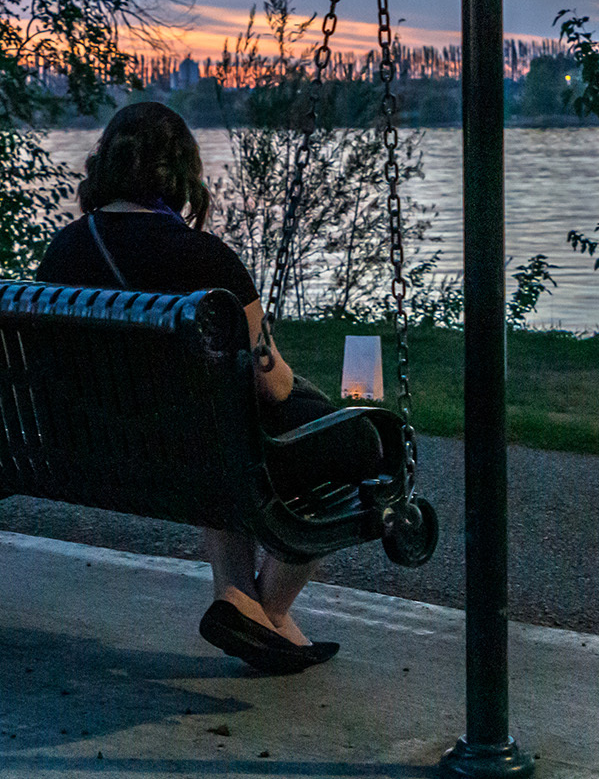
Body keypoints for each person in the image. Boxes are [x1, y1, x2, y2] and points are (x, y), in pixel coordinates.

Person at [34, 101, 381, 674]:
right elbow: (270, 384)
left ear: (107, 167)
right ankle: (254, 605)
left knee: (218, 433)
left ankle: (253, 612)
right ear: (184, 175)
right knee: (358, 444)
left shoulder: (63, 253)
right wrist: (298, 384)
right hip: (193, 452)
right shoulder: (205, 259)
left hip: (88, 451)